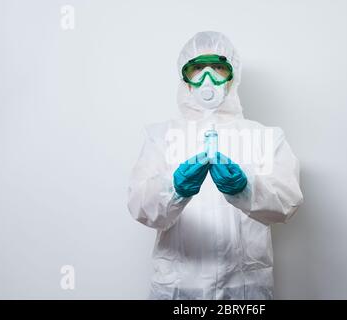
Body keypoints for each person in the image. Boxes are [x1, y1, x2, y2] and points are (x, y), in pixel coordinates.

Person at [127, 31, 304, 300]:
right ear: (185, 79)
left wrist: (247, 189)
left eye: (218, 67)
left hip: (244, 290)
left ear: (232, 76)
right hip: (179, 289)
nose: (207, 78)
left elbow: (288, 202)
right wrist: (173, 189)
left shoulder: (266, 137)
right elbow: (139, 204)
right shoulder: (160, 136)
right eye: (197, 68)